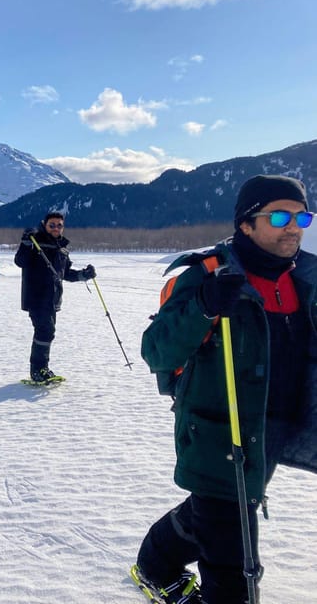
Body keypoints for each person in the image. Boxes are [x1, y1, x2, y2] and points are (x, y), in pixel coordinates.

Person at [133, 174, 317, 603]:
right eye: (280, 217)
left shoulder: (307, 278)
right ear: (246, 224)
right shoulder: (207, 276)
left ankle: (155, 565)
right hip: (220, 435)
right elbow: (157, 351)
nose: (294, 227)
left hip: (276, 431)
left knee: (217, 512)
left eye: (302, 217)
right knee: (234, 571)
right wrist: (204, 306)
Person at [13, 211, 95, 382]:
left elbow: (65, 273)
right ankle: (37, 370)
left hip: (53, 299)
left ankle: (42, 368)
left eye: (59, 225)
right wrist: (26, 243)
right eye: (52, 225)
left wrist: (84, 275)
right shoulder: (35, 241)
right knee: (45, 331)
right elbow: (20, 261)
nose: (56, 228)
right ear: (45, 225)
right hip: (36, 297)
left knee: (47, 333)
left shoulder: (62, 248)